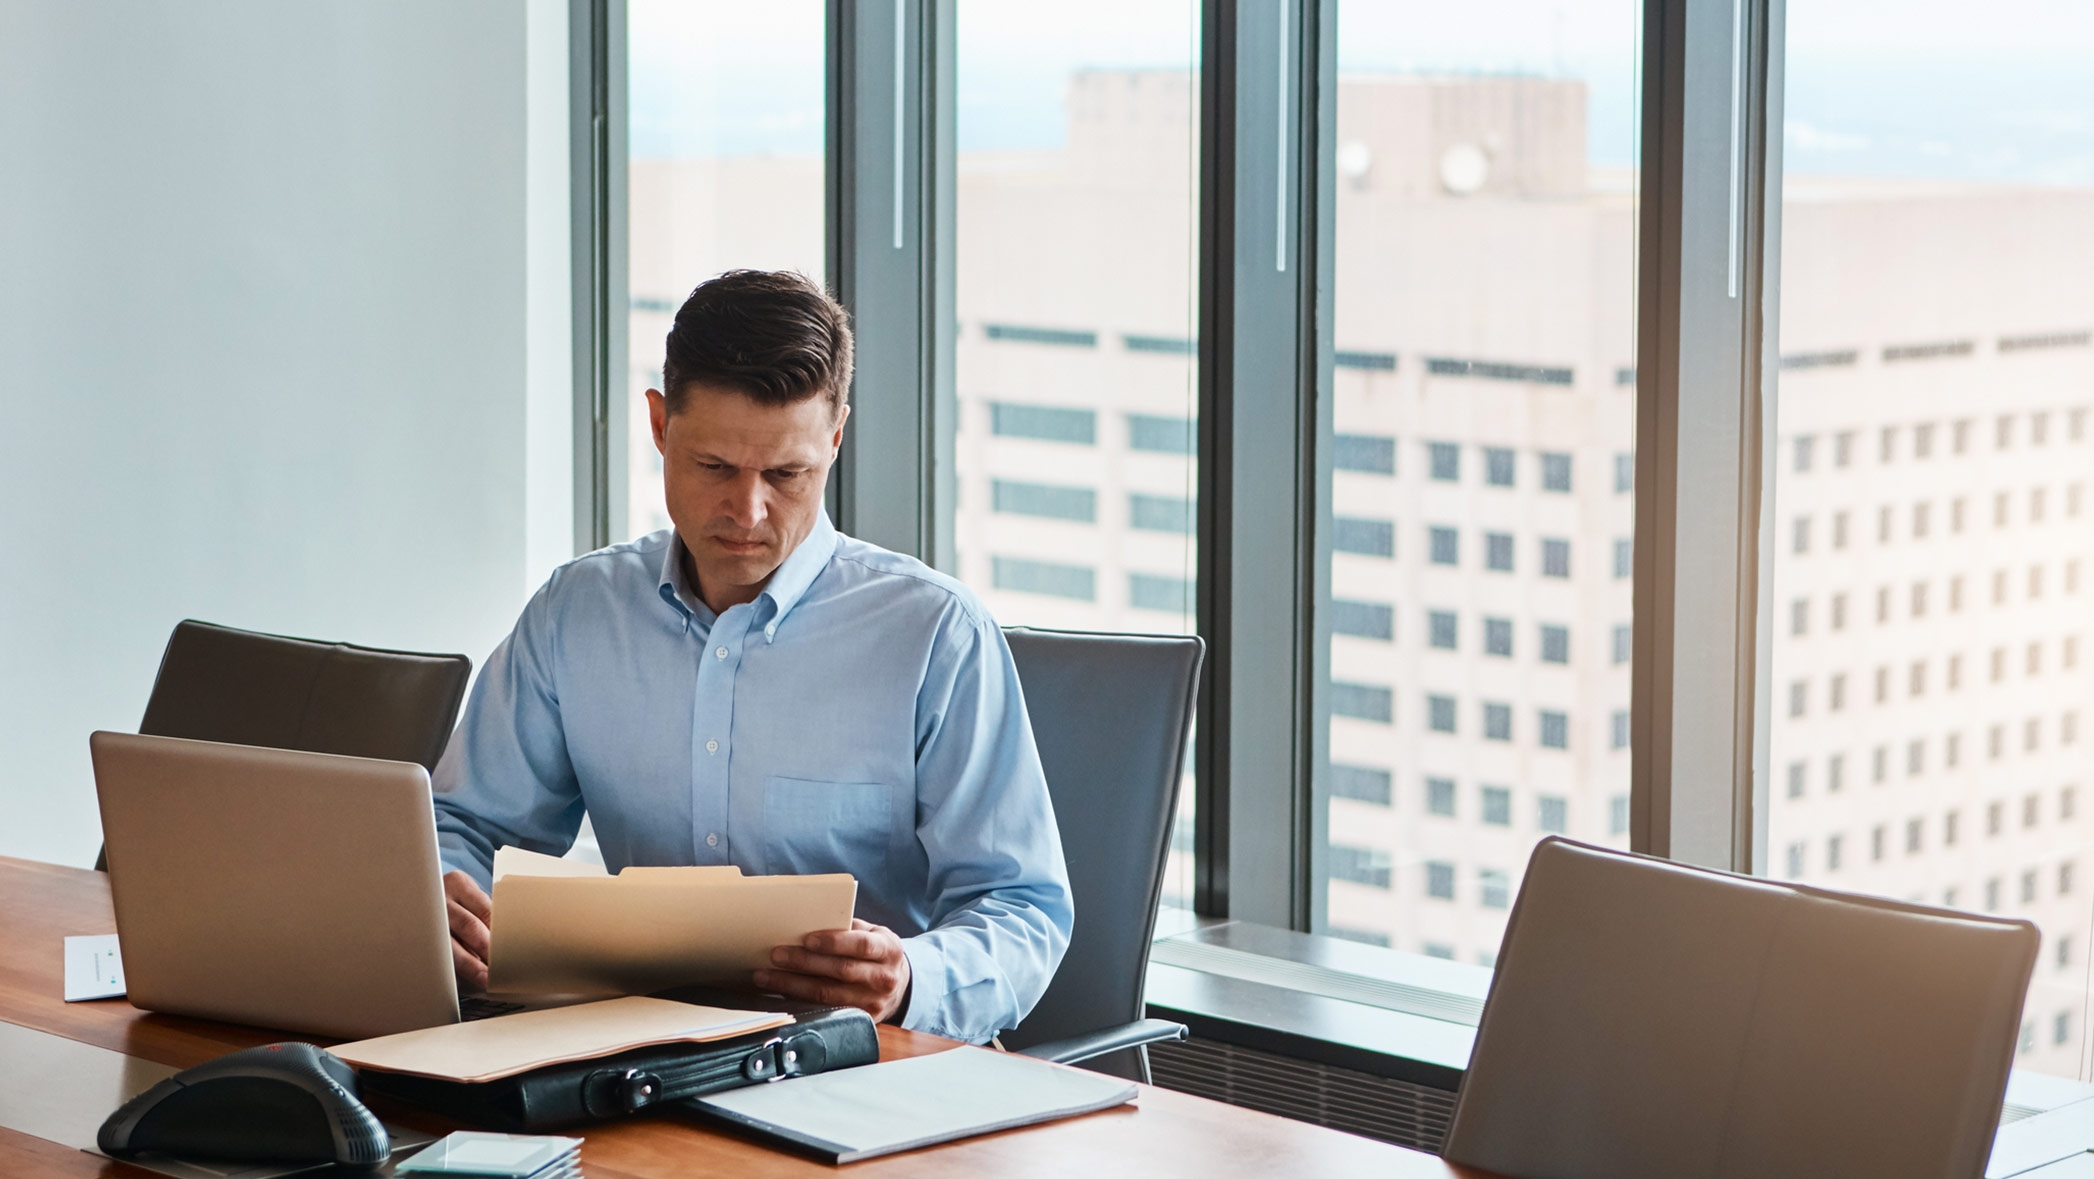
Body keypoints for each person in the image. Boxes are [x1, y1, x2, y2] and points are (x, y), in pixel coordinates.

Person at [430, 270, 1072, 1044]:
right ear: (660, 425)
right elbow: (466, 824)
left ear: (834, 437)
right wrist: (443, 888)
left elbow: (1023, 905)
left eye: (786, 473)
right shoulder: (578, 613)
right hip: (636, 1046)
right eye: (714, 468)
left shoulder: (936, 633)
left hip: (868, 1059)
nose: (747, 510)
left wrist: (912, 977)